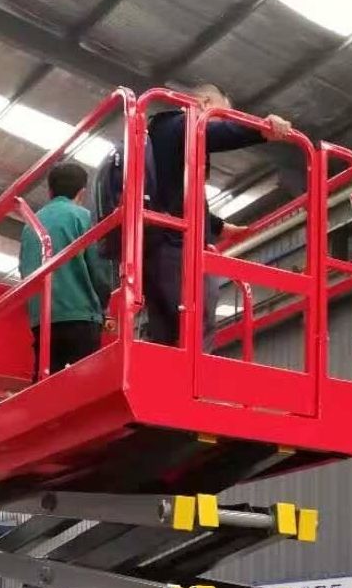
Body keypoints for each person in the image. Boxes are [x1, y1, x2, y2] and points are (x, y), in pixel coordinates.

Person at [144, 83, 293, 346]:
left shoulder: (163, 134)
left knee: (169, 333)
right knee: (195, 326)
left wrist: (219, 226)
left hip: (158, 245)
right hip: (176, 247)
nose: (223, 123)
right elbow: (215, 133)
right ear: (204, 103)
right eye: (222, 116)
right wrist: (260, 128)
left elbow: (174, 194)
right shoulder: (180, 125)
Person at [19, 161, 113, 381]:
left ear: (50, 191)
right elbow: (99, 269)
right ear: (82, 192)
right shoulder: (84, 217)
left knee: (45, 385)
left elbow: (24, 269)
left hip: (42, 319)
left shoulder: (30, 224)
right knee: (85, 386)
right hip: (80, 316)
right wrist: (104, 305)